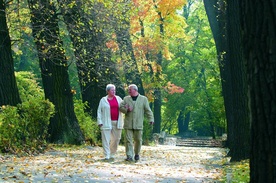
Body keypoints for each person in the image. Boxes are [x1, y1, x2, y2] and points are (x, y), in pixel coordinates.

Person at [119, 84, 154, 161]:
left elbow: (148, 110)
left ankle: (137, 153)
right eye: (128, 90)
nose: (128, 91)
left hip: (138, 123)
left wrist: (151, 119)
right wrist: (127, 110)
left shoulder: (143, 99)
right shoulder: (126, 99)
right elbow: (120, 108)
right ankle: (129, 155)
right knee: (128, 140)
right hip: (128, 123)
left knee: (138, 140)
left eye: (130, 90)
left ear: (135, 90)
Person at [97, 84, 123, 160]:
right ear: (108, 91)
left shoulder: (118, 99)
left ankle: (112, 153)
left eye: (114, 90)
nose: (114, 91)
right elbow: (99, 111)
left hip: (117, 122)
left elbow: (123, 107)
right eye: (112, 90)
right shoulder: (103, 100)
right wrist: (99, 121)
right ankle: (106, 155)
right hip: (106, 122)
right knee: (106, 139)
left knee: (117, 138)